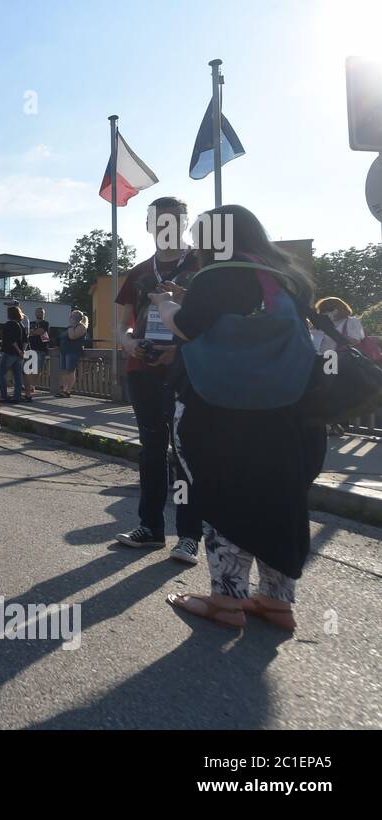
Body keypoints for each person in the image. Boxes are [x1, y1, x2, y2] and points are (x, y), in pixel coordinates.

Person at [150, 204, 326, 630]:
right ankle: (277, 602)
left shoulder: (219, 274)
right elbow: (241, 314)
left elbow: (189, 328)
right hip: (291, 409)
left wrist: (165, 304)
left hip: (222, 409)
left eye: (197, 237)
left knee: (224, 496)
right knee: (281, 497)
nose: (193, 246)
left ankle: (227, 602)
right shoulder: (284, 277)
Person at [114, 196, 203, 560]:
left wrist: (180, 348)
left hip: (186, 370)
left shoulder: (202, 266)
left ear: (183, 223)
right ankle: (150, 527)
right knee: (151, 450)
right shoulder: (138, 273)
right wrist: (127, 343)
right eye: (158, 221)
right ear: (149, 225)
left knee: (185, 452)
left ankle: (188, 535)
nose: (164, 227)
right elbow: (121, 323)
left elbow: (213, 320)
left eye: (172, 220)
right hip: (144, 369)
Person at [311, 297, 366, 437]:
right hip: (322, 357)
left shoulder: (350, 321)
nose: (325, 313)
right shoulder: (321, 323)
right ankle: (331, 423)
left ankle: (337, 423)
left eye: (327, 309)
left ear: (336, 309)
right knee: (324, 390)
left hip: (337, 358)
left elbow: (356, 339)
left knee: (334, 390)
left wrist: (333, 334)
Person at [0, 304, 28, 403]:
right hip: (19, 355)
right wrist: (22, 351)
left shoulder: (9, 324)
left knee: (0, 373)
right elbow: (26, 340)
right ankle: (17, 396)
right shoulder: (21, 324)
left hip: (9, 352)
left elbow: (11, 340)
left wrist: (18, 350)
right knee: (18, 375)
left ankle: (3, 395)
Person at [57, 310, 87, 398]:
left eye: (72, 316)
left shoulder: (81, 327)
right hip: (64, 351)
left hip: (73, 351)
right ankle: (64, 389)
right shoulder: (71, 327)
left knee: (70, 371)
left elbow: (72, 336)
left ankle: (68, 391)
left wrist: (70, 325)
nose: (70, 317)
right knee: (64, 371)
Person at [25, 307, 50, 400]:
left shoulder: (45, 323)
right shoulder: (31, 323)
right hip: (30, 348)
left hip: (41, 349)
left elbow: (40, 332)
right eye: (38, 312)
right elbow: (26, 333)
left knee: (36, 369)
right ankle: (27, 385)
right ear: (35, 313)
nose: (40, 313)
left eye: (42, 312)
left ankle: (32, 385)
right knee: (28, 369)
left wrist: (32, 332)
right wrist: (32, 333)